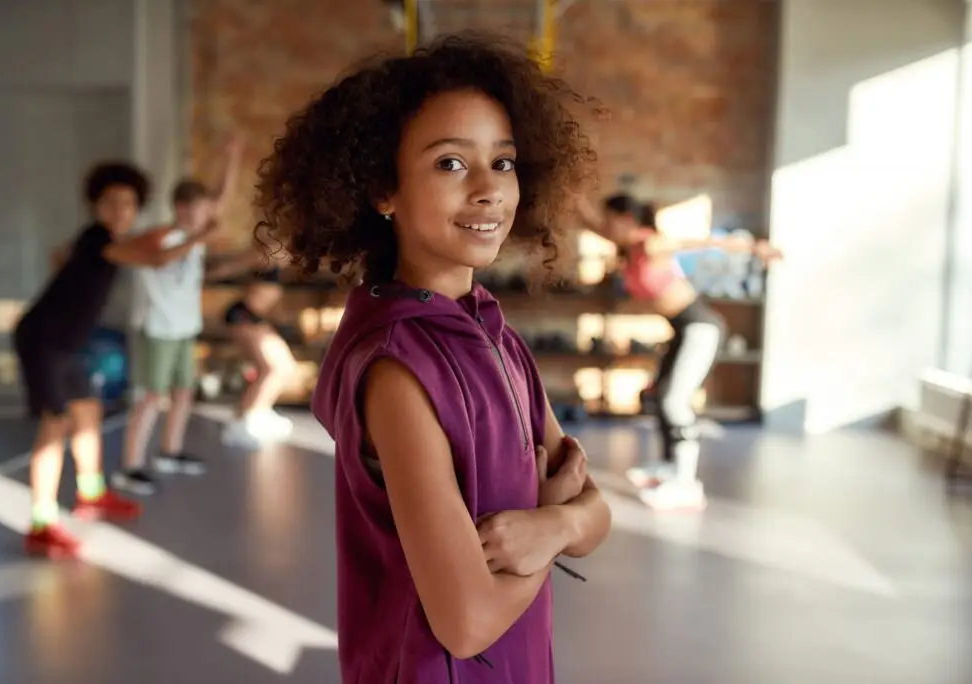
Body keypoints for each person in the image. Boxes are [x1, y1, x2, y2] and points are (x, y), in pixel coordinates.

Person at [254, 35, 612, 683]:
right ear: (383, 191)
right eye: (450, 164)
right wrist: (548, 539)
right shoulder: (396, 369)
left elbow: (595, 514)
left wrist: (556, 523)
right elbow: (467, 623)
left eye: (502, 163)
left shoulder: (495, 334)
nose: (488, 190)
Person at [13, 162, 216, 558]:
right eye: (110, 202)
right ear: (96, 205)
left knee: (88, 411)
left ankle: (91, 495)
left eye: (128, 203)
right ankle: (41, 523)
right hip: (43, 342)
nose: (119, 209)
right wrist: (201, 236)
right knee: (55, 426)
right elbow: (155, 259)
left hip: (69, 344)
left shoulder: (107, 239)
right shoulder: (97, 237)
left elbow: (139, 244)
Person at [575, 193, 782, 510]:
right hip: (682, 328)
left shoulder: (650, 243)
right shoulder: (628, 245)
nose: (604, 226)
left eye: (609, 219)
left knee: (675, 401)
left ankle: (686, 484)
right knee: (661, 396)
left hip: (700, 327)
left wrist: (756, 247)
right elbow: (589, 222)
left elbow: (702, 241)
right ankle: (670, 467)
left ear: (627, 220)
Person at [113, 139, 242, 496]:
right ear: (178, 209)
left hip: (184, 327)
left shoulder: (196, 233)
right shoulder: (163, 236)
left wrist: (231, 158)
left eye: (201, 211)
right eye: (191, 211)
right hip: (157, 329)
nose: (200, 217)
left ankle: (170, 451)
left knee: (184, 393)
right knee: (151, 398)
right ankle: (130, 466)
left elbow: (220, 197)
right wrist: (199, 235)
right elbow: (160, 259)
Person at [205, 249, 297, 448]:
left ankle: (253, 414)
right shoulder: (271, 249)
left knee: (281, 368)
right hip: (245, 315)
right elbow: (233, 265)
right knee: (275, 369)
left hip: (256, 317)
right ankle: (247, 420)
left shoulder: (293, 251)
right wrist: (205, 274)